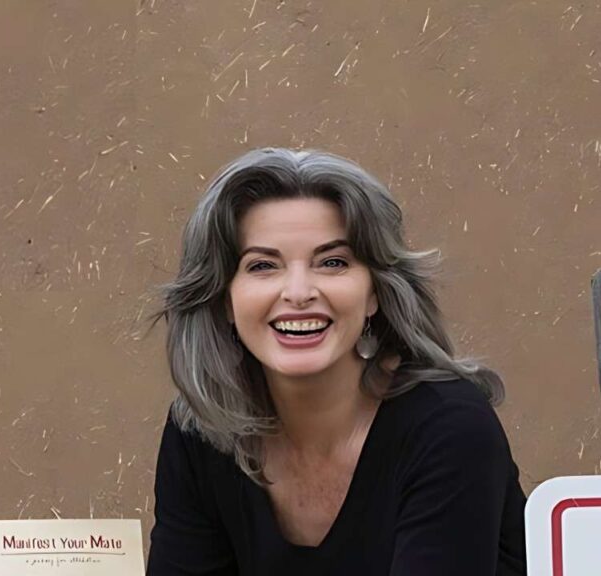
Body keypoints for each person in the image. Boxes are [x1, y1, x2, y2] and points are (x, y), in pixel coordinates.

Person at [147, 148, 527, 575]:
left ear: (375, 293)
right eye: (262, 265)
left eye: (332, 262)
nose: (298, 291)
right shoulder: (201, 433)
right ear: (224, 300)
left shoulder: (449, 427)